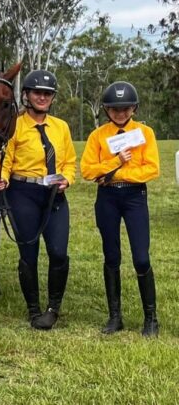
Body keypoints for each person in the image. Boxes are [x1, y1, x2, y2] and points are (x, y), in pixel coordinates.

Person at [0, 70, 76, 330]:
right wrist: (2, 178)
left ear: (52, 98)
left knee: (59, 252)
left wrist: (68, 180)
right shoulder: (15, 124)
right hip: (23, 192)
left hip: (54, 194)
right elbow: (5, 160)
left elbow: (70, 161)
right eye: (37, 92)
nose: (42, 97)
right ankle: (33, 308)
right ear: (27, 95)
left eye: (47, 93)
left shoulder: (61, 127)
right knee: (29, 253)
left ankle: (53, 308)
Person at [80, 81, 160, 337]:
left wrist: (114, 173)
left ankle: (151, 318)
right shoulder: (98, 136)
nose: (120, 113)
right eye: (115, 109)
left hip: (135, 196)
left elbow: (152, 168)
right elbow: (87, 170)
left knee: (141, 257)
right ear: (106, 110)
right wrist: (114, 161)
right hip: (107, 199)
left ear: (134, 108)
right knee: (111, 255)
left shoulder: (145, 133)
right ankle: (115, 316)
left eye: (126, 109)